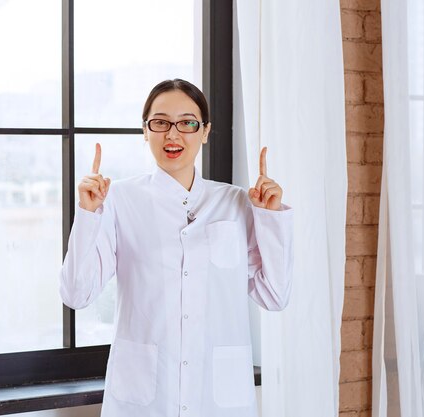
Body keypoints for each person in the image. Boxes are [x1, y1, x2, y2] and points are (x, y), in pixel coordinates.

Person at [60, 79, 293, 417]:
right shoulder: (118, 200)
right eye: (160, 123)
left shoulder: (238, 203)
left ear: (205, 131)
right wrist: (87, 214)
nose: (173, 134)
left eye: (187, 122)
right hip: (144, 398)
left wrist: (271, 220)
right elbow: (76, 294)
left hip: (218, 398)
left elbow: (275, 295)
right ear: (145, 130)